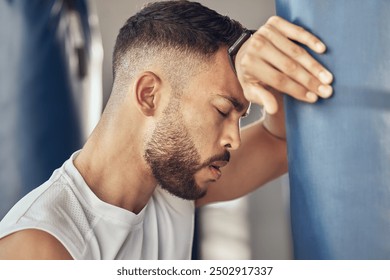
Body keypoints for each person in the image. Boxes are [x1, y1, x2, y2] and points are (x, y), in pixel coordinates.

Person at [0, 0, 333, 259]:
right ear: (149, 95)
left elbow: (283, 143)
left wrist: (252, 51)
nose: (234, 138)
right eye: (221, 111)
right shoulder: (40, 249)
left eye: (240, 117)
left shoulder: (168, 186)